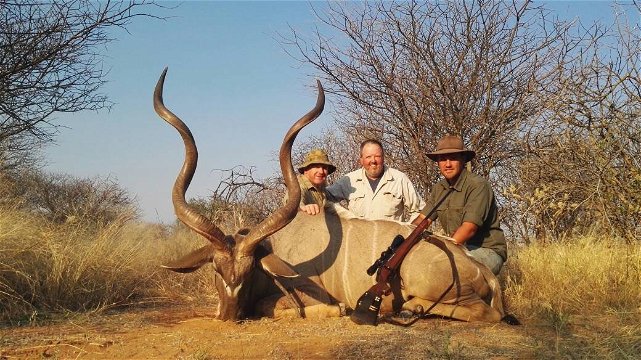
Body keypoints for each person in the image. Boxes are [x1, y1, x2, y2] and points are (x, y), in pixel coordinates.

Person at [412, 135, 507, 274]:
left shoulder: (478, 185)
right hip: (457, 248)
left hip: (486, 251)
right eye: (443, 159)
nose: (448, 164)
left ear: (463, 160)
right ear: (437, 162)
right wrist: (403, 241)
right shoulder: (439, 188)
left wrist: (440, 253)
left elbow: (469, 228)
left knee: (443, 270)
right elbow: (422, 220)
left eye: (453, 158)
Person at [326, 139, 425, 223]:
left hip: (393, 243)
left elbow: (420, 210)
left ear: (383, 158)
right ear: (361, 160)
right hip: (359, 242)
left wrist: (407, 234)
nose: (373, 161)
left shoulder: (399, 179)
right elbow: (323, 196)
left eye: (377, 156)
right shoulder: (349, 180)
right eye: (368, 157)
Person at [291, 148, 336, 215]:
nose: (321, 171)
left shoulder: (322, 189)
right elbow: (292, 203)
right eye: (316, 167)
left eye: (324, 168)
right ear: (306, 170)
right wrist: (303, 207)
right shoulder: (298, 187)